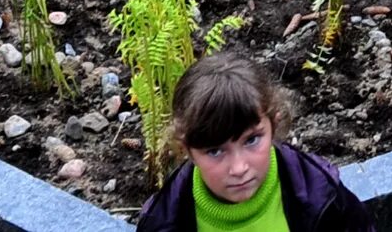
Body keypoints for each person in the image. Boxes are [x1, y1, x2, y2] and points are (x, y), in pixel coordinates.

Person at [131, 49, 375, 232]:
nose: (239, 168)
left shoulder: (321, 196)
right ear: (187, 150)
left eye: (251, 141)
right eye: (215, 151)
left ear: (273, 125)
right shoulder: (162, 221)